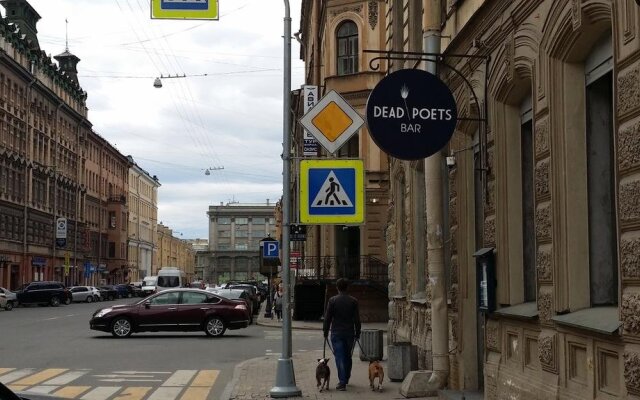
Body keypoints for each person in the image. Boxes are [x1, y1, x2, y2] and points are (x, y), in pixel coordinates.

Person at [323, 278, 361, 391]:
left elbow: (327, 318)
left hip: (336, 332)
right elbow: (357, 320)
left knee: (339, 357)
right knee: (347, 356)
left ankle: (342, 382)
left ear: (337, 288)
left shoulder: (332, 301)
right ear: (347, 288)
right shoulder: (353, 301)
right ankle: (346, 377)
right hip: (349, 332)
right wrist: (357, 332)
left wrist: (325, 331)